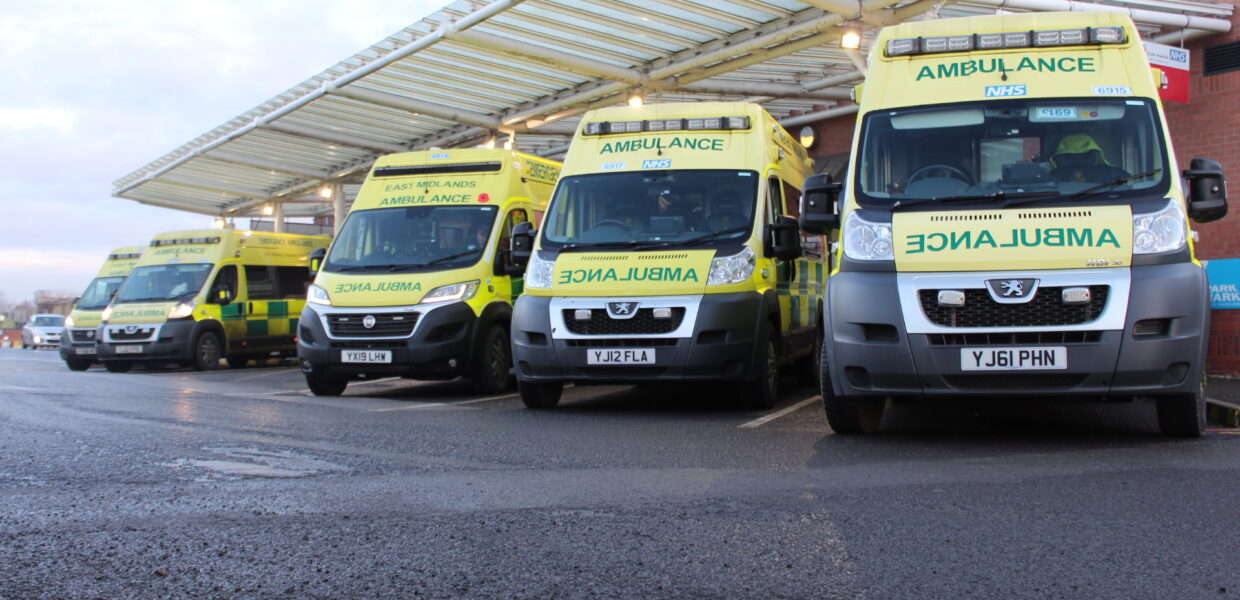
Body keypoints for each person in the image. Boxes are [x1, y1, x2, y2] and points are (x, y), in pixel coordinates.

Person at [1049, 134, 1129, 184]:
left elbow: (1134, 183)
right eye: (1071, 156)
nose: (1078, 181)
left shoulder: (1110, 173)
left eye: (1085, 154)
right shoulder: (1053, 176)